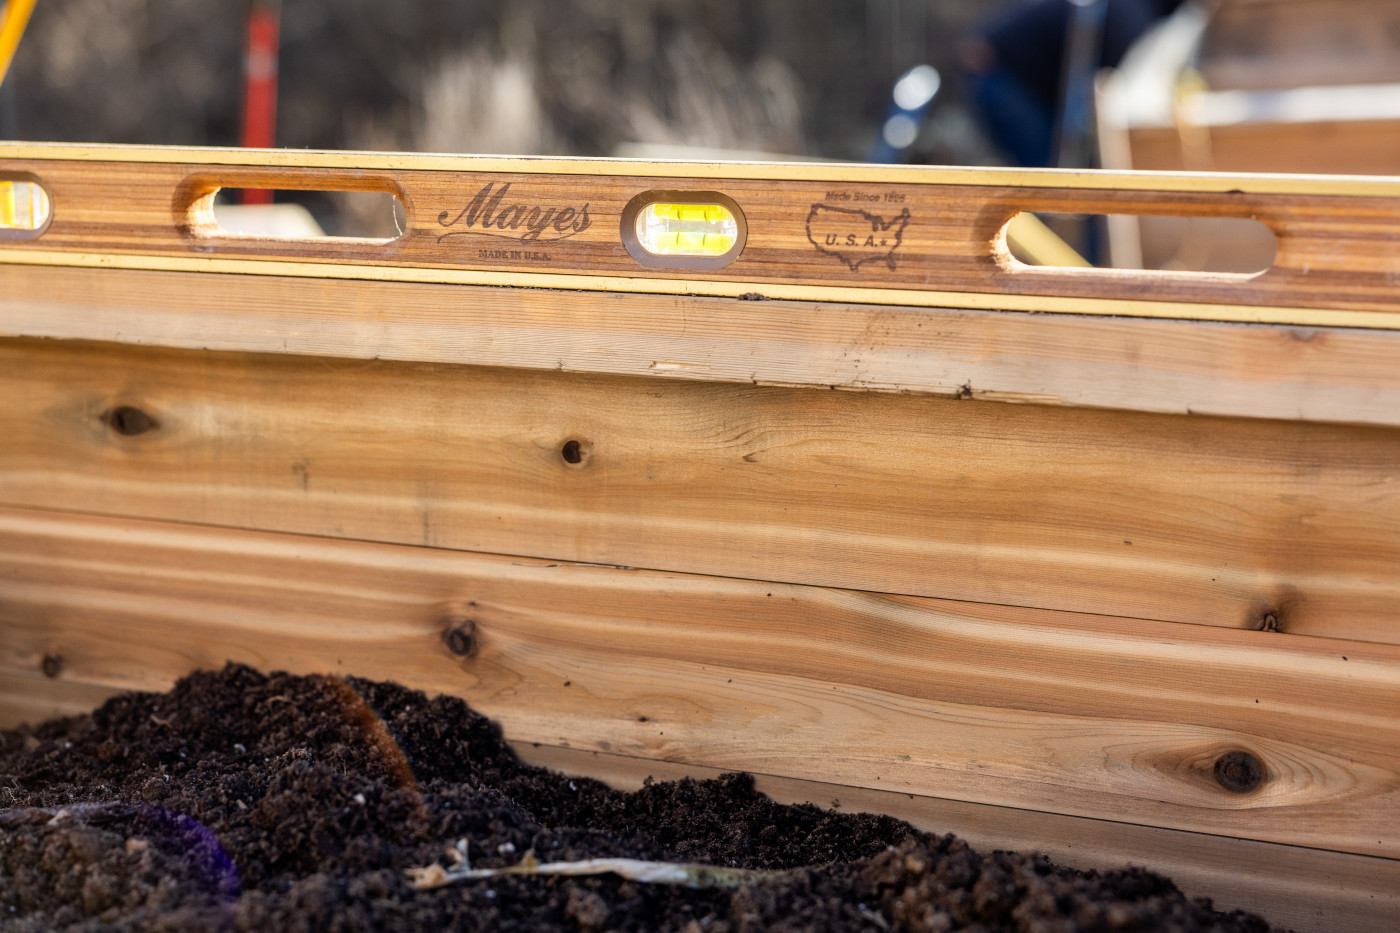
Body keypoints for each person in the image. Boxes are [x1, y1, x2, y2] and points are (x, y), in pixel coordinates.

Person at [963, 0, 1185, 167]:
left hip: (1019, 77)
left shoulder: (1132, 11)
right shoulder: (1132, 15)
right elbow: (1100, 85)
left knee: (1048, 171)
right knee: (1045, 175)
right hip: (1003, 74)